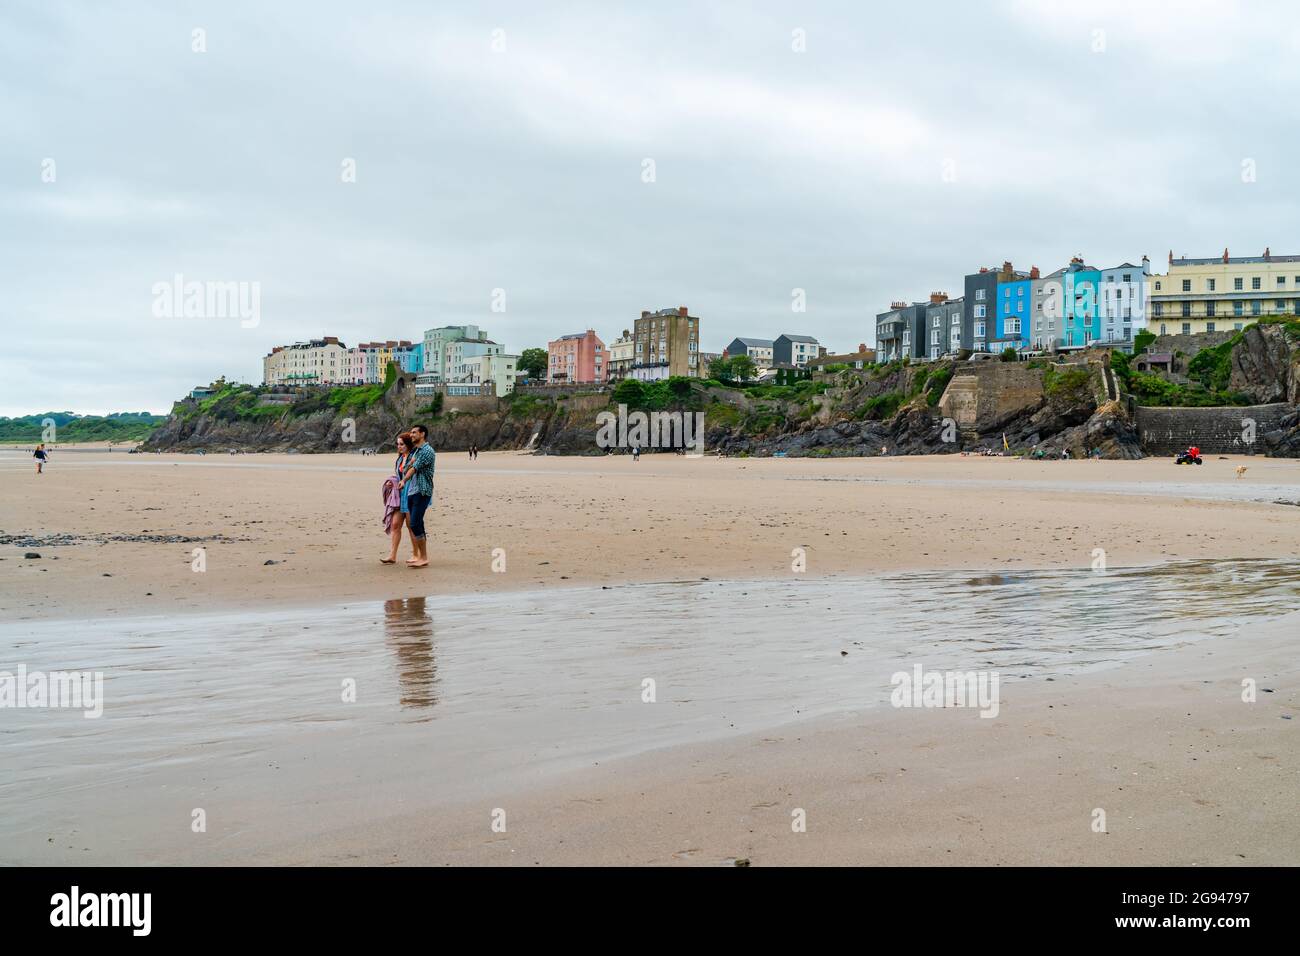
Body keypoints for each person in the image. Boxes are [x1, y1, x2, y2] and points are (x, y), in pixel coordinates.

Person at [399, 424, 435, 569]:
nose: (411, 435)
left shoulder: (427, 451)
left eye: (414, 433)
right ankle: (420, 556)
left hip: (422, 491)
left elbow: (413, 469)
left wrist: (403, 481)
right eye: (411, 432)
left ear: (422, 434)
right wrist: (409, 465)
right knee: (418, 524)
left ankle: (424, 557)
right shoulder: (415, 452)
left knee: (414, 523)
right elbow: (407, 467)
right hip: (412, 492)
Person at [382, 433, 414, 564]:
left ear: (408, 445)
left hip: (411, 494)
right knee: (395, 524)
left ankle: (416, 553)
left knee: (411, 525)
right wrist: (392, 482)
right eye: (398, 444)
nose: (399, 447)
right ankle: (392, 555)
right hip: (399, 496)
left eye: (402, 444)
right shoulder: (400, 459)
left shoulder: (413, 457)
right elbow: (398, 476)